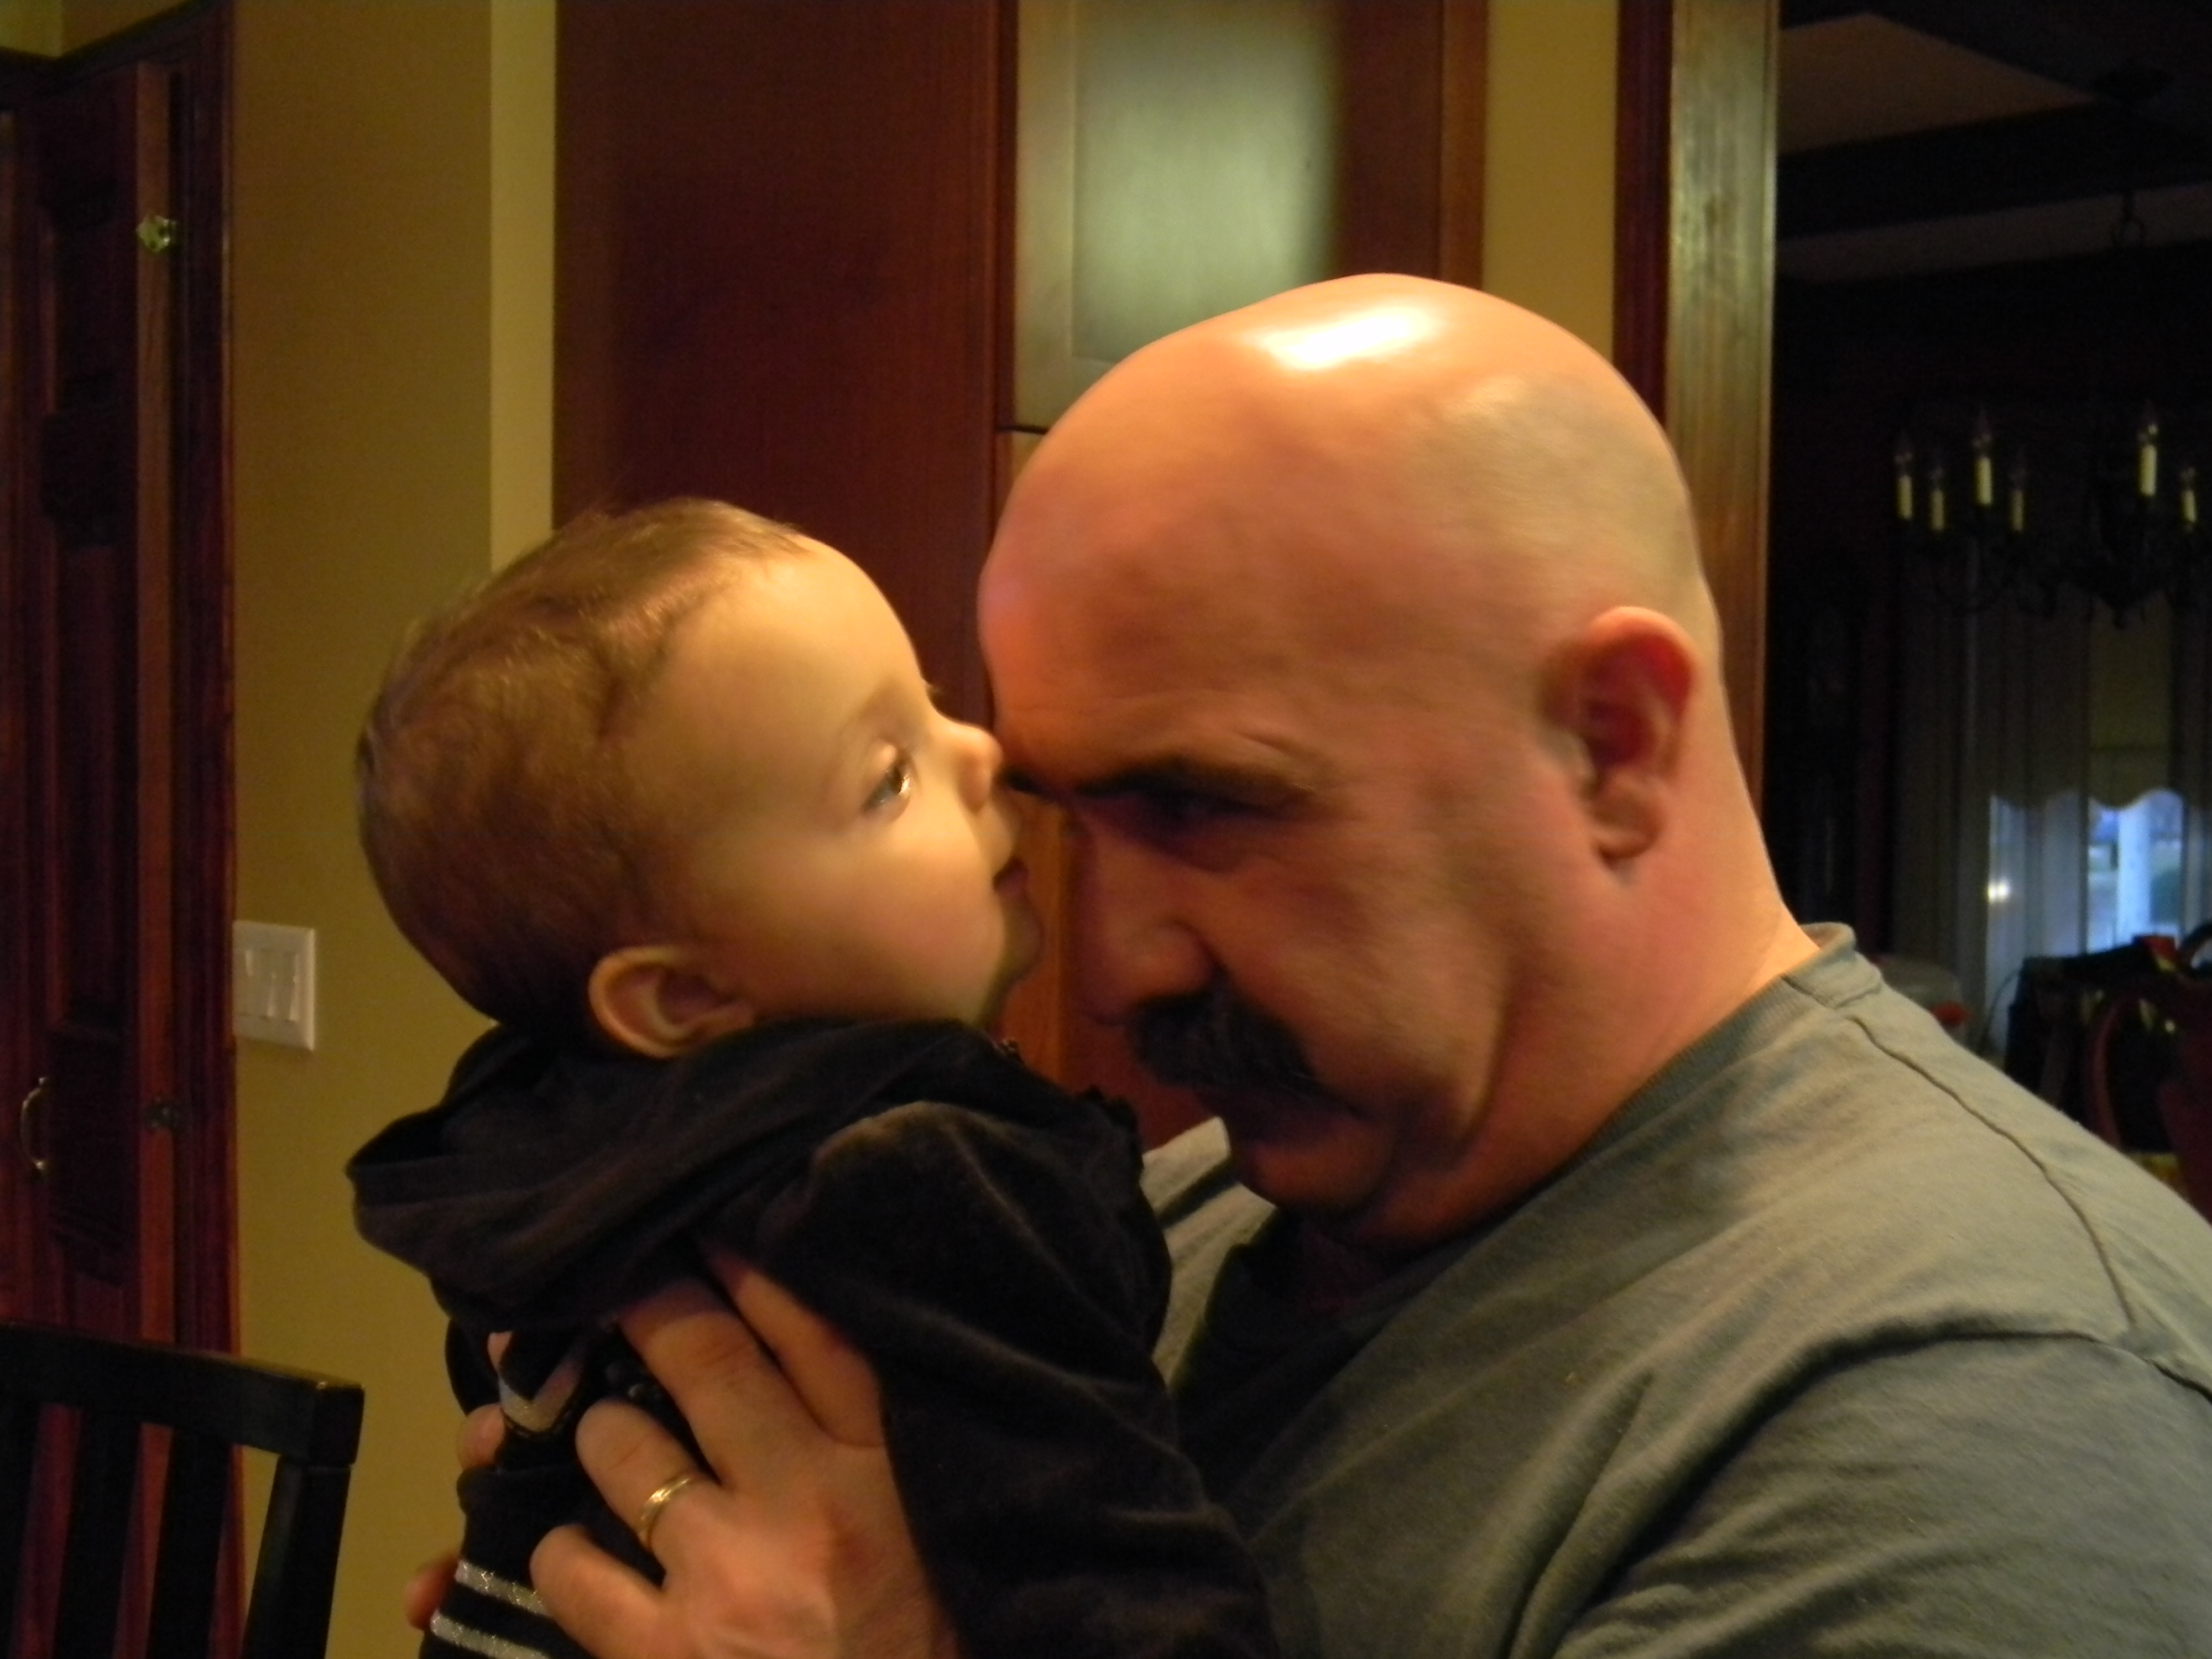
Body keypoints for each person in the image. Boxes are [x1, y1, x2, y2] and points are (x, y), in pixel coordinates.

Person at [524, 277, 2212, 1659]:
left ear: (1614, 743)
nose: (1109, 969)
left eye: (1202, 806)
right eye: (1068, 819)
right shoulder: (1149, 1224)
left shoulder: (1985, 1411)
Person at [351, 500, 1276, 1659]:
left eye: (931, 703)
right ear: (687, 997)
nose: (985, 754)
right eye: (888, 779)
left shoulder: (545, 1163)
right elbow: (1109, 1569)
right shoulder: (926, 1187)